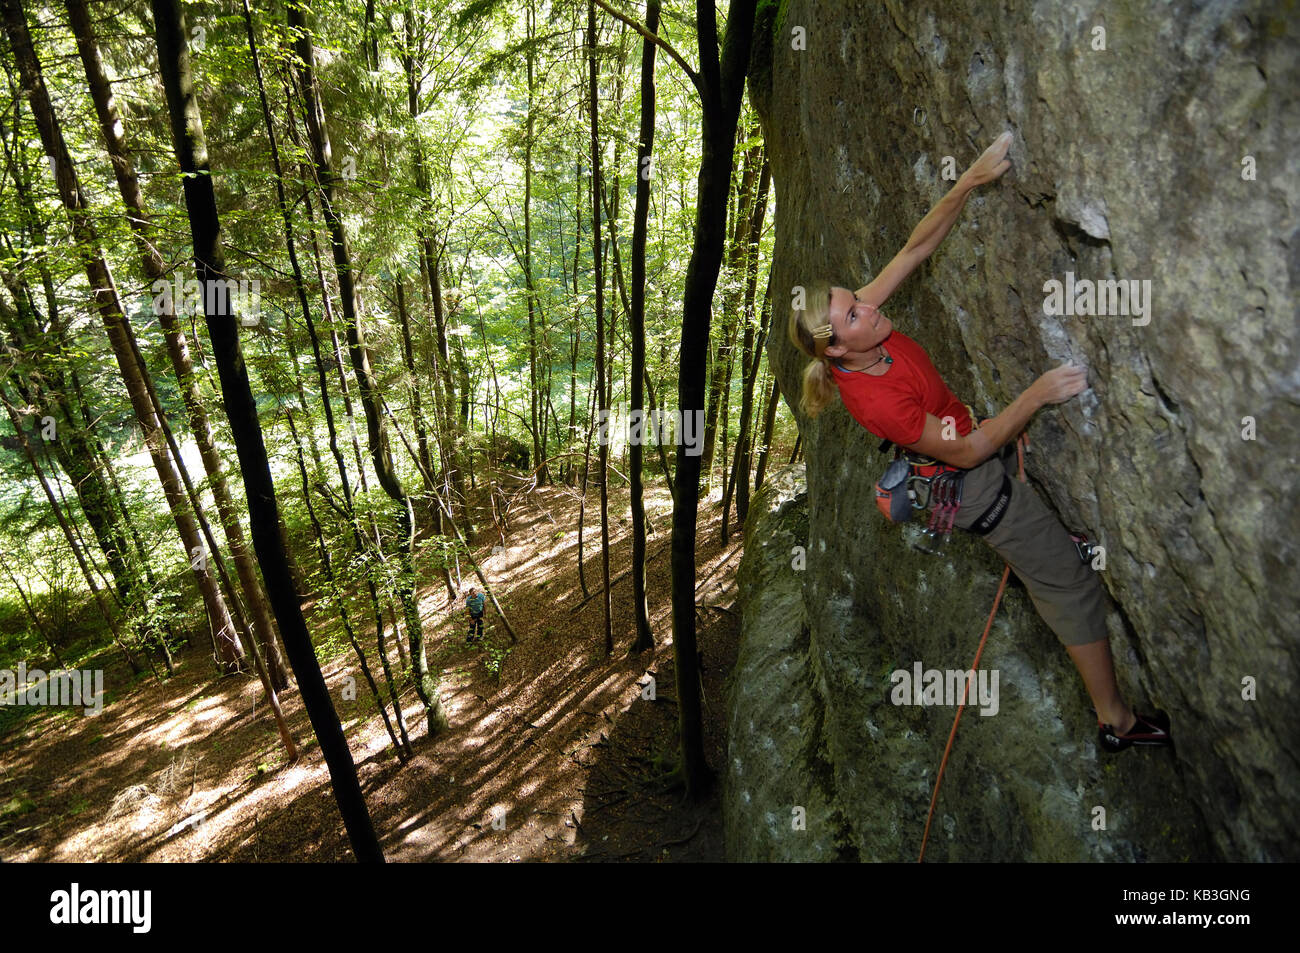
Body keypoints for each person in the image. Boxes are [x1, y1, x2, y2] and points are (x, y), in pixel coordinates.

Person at [788, 132, 1171, 754]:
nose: (866, 305)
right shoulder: (875, 398)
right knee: (1069, 584)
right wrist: (1037, 394)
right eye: (852, 312)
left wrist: (967, 180)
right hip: (971, 486)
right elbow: (966, 452)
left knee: (1029, 527)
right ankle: (1116, 722)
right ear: (834, 347)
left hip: (964, 457)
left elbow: (915, 250)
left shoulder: (857, 329)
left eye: (855, 297)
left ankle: (1037, 551)